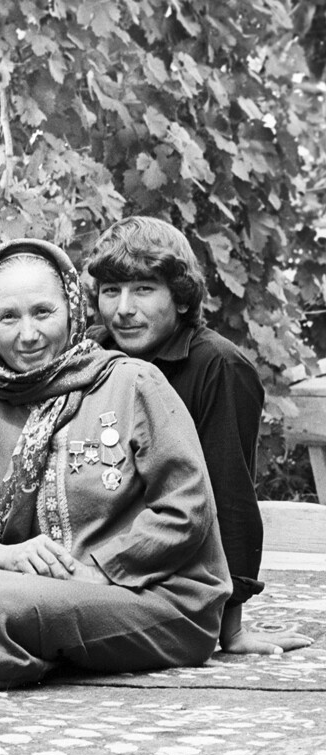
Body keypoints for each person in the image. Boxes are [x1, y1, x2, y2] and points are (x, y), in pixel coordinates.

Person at [0, 238, 231, 693]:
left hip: (154, 599)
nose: (28, 334)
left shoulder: (133, 382)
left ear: (72, 310)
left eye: (43, 312)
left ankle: (5, 644)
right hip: (33, 589)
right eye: (8, 317)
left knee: (22, 608)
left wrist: (98, 568)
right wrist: (4, 555)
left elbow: (186, 510)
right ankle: (19, 645)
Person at [86, 216, 313, 656]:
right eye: (111, 291)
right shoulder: (94, 353)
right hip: (97, 557)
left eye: (143, 289)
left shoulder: (219, 368)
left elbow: (229, 497)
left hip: (179, 575)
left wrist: (231, 626)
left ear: (182, 297)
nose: (123, 309)